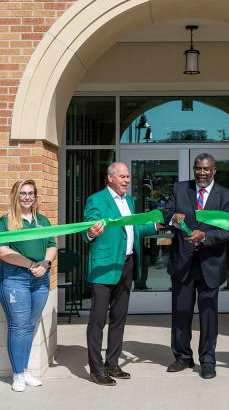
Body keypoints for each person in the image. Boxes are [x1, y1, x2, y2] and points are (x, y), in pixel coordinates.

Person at [83, 162, 162, 386]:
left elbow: (134, 228)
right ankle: (96, 368)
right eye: (122, 176)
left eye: (128, 177)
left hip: (127, 264)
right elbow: (88, 227)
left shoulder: (129, 200)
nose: (126, 180)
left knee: (119, 318)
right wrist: (90, 232)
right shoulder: (96, 200)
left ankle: (112, 363)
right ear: (110, 178)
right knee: (98, 320)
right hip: (105, 266)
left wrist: (156, 225)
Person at [161, 152, 229, 379]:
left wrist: (204, 236)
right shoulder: (180, 188)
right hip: (183, 262)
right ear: (193, 169)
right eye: (198, 169)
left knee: (208, 315)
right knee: (180, 313)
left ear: (214, 171)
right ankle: (182, 357)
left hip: (210, 264)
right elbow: (165, 212)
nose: (201, 173)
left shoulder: (226, 196)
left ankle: (208, 360)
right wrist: (173, 218)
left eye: (206, 169)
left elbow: (228, 230)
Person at [0, 179, 57, 392]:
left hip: (40, 279)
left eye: (31, 193)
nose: (27, 197)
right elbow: (2, 251)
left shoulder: (43, 221)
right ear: (15, 196)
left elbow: (52, 245)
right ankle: (18, 375)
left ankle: (25, 370)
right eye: (22, 193)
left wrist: (46, 264)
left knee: (29, 326)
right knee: (18, 326)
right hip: (15, 279)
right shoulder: (6, 222)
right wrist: (31, 264)